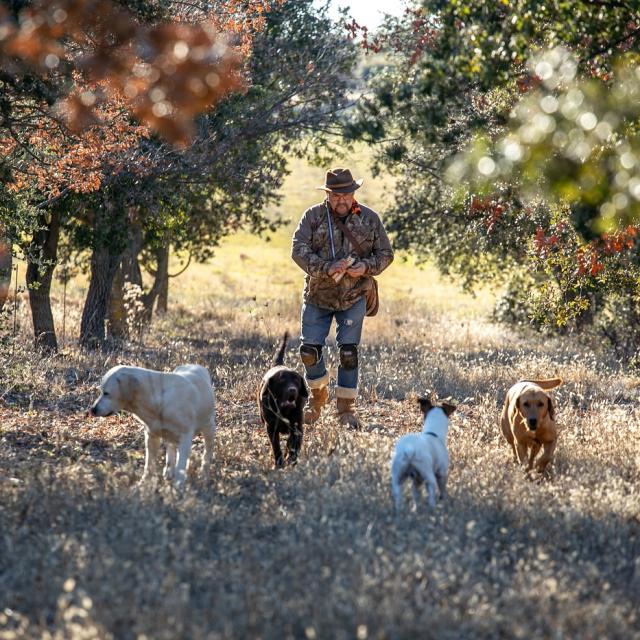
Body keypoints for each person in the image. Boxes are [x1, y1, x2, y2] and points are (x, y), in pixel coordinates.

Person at [291, 167, 394, 428]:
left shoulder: (370, 219)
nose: (342, 200)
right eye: (336, 195)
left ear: (353, 194)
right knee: (309, 352)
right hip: (318, 295)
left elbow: (385, 253)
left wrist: (366, 268)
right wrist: (326, 268)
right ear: (328, 195)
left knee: (348, 353)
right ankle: (318, 397)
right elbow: (298, 250)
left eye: (346, 194)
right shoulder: (312, 217)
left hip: (353, 295)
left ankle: (346, 410)